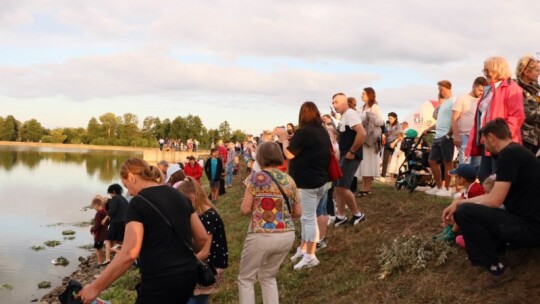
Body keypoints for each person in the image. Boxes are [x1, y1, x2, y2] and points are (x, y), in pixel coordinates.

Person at [79, 158, 208, 303]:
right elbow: (202, 238)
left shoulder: (138, 203)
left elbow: (129, 253)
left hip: (159, 282)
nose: (129, 191)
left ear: (132, 177)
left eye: (126, 185)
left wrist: (95, 287)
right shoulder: (180, 196)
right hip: (188, 275)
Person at [442, 118, 540, 291]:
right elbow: (493, 196)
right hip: (530, 224)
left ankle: (497, 271)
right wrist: (460, 202)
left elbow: (494, 201)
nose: (485, 148)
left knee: (465, 212)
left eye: (484, 142)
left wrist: (461, 205)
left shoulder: (509, 154)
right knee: (466, 208)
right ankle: (501, 249)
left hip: (530, 228)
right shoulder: (518, 152)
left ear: (491, 136)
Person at [238, 141, 301, 304]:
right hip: (287, 234)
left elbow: (245, 210)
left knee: (246, 278)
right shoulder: (290, 180)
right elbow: (298, 212)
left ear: (260, 157)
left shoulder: (255, 179)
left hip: (262, 234)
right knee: (268, 276)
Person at [277, 101, 331, 270]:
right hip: (321, 180)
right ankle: (303, 249)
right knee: (308, 217)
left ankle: (310, 256)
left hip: (307, 183)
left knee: (308, 219)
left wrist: (284, 139)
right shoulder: (322, 131)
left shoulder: (304, 132)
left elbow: (289, 154)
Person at [466, 56, 525, 183]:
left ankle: (499, 202)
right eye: (484, 70)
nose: (486, 73)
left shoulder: (512, 88)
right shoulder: (489, 89)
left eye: (488, 70)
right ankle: (490, 202)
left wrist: (502, 139)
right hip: (489, 141)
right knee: (484, 176)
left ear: (498, 69)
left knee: (497, 177)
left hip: (500, 142)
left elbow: (516, 116)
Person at [179, 177, 228, 304]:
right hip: (207, 265)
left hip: (208, 268)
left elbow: (205, 252)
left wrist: (183, 267)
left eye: (185, 202)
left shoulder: (206, 218)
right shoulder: (206, 213)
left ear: (194, 197)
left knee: (194, 299)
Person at [331, 93, 367, 226]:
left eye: (336, 102)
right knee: (338, 186)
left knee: (343, 187)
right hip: (345, 155)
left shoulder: (350, 114)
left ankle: (358, 215)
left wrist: (352, 151)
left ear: (344, 102)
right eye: (333, 102)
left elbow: (362, 133)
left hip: (351, 155)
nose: (334, 105)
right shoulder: (345, 116)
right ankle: (340, 216)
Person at [434, 164, 485, 242]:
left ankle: (453, 232)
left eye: (456, 176)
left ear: (462, 179)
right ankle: (450, 225)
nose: (454, 178)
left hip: (480, 221)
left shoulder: (476, 190)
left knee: (461, 209)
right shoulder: (471, 188)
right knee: (457, 199)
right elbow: (459, 199)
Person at [424, 80, 456, 197]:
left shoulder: (454, 101)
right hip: (438, 136)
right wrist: (429, 128)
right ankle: (438, 187)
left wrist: (449, 134)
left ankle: (447, 188)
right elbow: (440, 121)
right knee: (431, 161)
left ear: (445, 88)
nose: (439, 91)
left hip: (446, 136)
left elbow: (455, 119)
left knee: (447, 161)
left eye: (440, 89)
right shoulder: (444, 104)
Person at [451, 77, 487, 167]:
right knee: (465, 166)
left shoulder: (483, 101)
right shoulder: (462, 99)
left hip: (479, 137)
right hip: (465, 136)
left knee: (477, 166)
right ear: (473, 86)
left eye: (483, 91)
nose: (481, 93)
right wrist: (456, 136)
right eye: (480, 90)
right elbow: (454, 119)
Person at [357, 87, 384, 196]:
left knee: (369, 163)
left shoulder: (375, 107)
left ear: (369, 95)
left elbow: (381, 122)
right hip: (363, 137)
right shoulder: (361, 108)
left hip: (371, 139)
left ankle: (367, 188)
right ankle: (363, 186)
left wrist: (370, 119)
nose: (361, 95)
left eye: (363, 93)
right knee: (363, 163)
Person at [516, 55, 540, 155]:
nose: (539, 74)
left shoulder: (535, 90)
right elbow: (526, 114)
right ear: (526, 72)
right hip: (526, 138)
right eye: (537, 70)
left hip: (536, 137)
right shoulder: (517, 90)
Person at [102, 183, 129, 266]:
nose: (110, 195)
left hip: (116, 222)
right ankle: (119, 259)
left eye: (110, 193)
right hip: (124, 222)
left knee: (107, 240)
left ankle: (107, 259)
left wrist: (105, 218)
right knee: (119, 241)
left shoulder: (115, 198)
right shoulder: (124, 199)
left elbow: (112, 211)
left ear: (113, 191)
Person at [381, 112, 402, 182]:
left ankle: (394, 178)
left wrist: (394, 143)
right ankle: (383, 176)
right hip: (387, 143)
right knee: (385, 160)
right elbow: (384, 133)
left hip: (395, 144)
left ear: (395, 118)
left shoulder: (398, 125)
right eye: (389, 118)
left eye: (391, 118)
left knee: (394, 161)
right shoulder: (387, 124)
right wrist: (383, 136)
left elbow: (400, 136)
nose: (389, 119)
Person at [90, 196, 109, 267]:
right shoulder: (106, 212)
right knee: (100, 246)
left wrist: (92, 229)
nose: (94, 208)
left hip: (99, 234)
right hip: (105, 232)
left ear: (97, 205)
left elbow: (97, 225)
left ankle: (99, 262)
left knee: (98, 248)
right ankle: (101, 261)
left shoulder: (98, 213)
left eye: (94, 206)